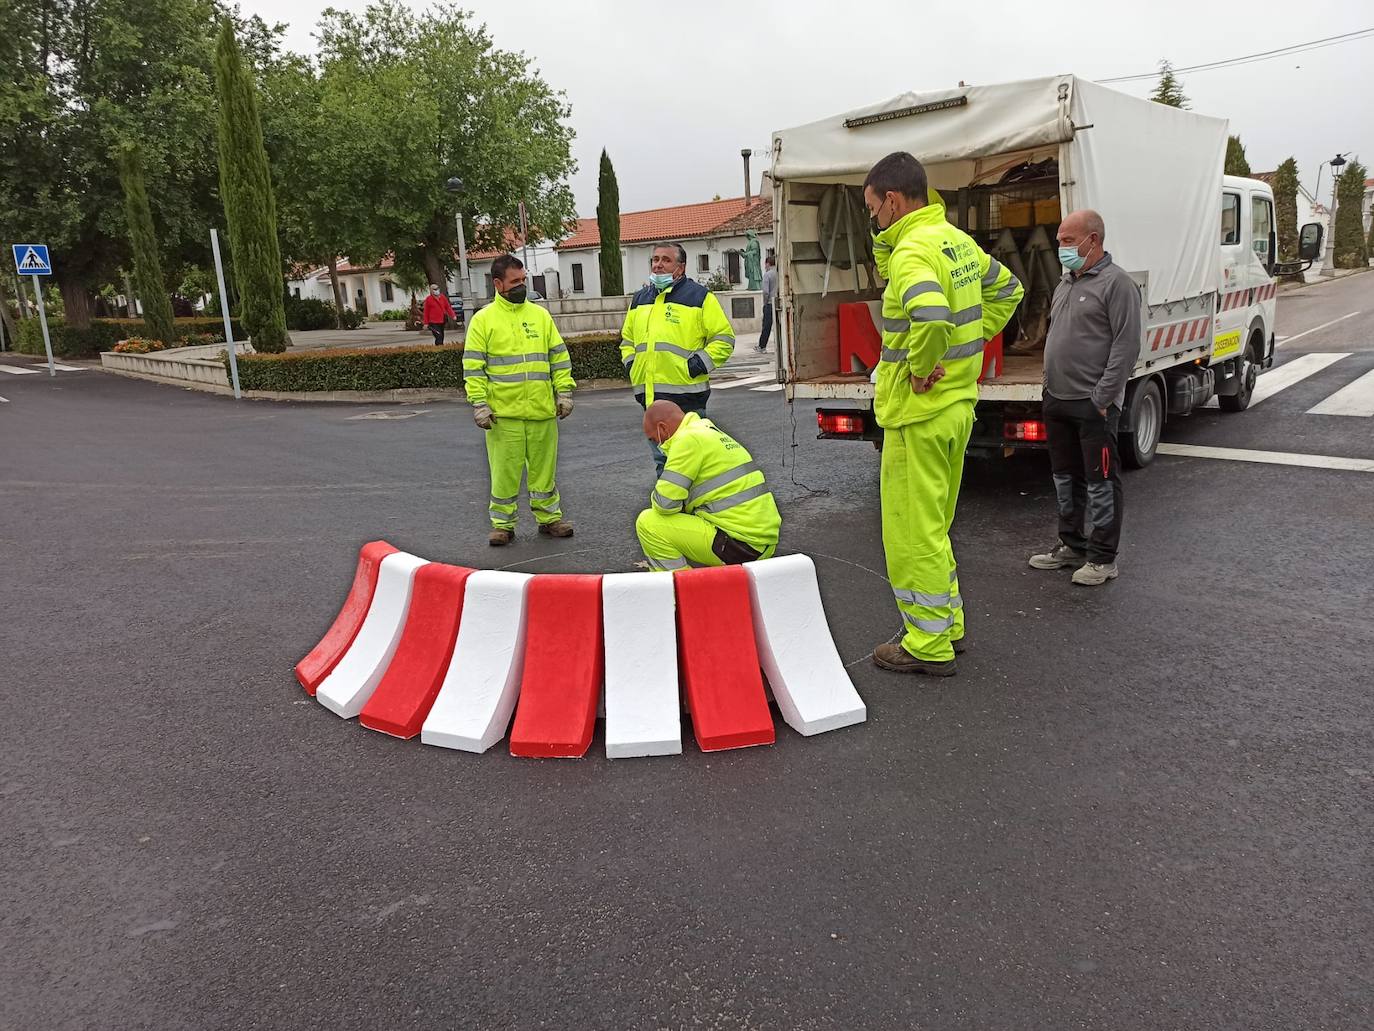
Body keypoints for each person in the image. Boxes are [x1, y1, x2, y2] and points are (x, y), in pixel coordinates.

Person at [862, 152, 1024, 677]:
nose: (873, 220)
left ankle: (927, 646)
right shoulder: (955, 240)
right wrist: (965, 348)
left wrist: (920, 367)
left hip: (918, 412)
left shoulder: (911, 251)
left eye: (873, 208)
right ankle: (946, 626)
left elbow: (929, 317)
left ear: (892, 199)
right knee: (936, 525)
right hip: (958, 405)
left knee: (912, 532)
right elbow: (1007, 290)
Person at [1028, 209, 1140, 586]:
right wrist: (1047, 383)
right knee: (1065, 478)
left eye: (1068, 241)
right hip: (1057, 398)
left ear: (1093, 240)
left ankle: (1103, 558)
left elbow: (1126, 346)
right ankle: (1071, 545)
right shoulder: (1065, 284)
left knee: (1101, 482)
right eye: (1060, 240)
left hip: (1093, 404)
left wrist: (1103, 397)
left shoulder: (1117, 284)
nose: (1061, 247)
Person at [463, 255, 576, 546]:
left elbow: (559, 359)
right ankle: (503, 524)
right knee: (504, 474)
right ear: (498, 284)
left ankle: (549, 519)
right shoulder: (483, 320)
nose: (521, 286)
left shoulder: (540, 316)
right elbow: (474, 367)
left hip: (542, 411)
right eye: (515, 282)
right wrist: (479, 404)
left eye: (523, 280)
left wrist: (563, 392)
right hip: (504, 415)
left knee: (544, 473)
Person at [620, 242, 736, 472]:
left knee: (693, 464)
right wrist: (632, 365)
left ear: (680, 268)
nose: (658, 265)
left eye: (666, 260)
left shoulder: (699, 297)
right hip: (651, 400)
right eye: (655, 259)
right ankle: (671, 507)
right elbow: (627, 341)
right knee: (663, 463)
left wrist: (696, 365)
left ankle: (692, 507)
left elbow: (724, 339)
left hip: (687, 401)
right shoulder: (640, 299)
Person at [635, 400, 780, 571]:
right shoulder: (709, 431)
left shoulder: (687, 440)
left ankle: (680, 590)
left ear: (663, 429)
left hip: (740, 545)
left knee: (648, 523)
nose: (657, 445)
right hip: (762, 540)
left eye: (653, 439)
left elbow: (664, 504)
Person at [758, 255, 776, 352]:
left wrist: (765, 303)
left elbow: (765, 291)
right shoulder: (779, 273)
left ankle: (762, 346)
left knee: (767, 326)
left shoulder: (767, 275)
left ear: (768, 263)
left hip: (769, 303)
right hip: (779, 302)